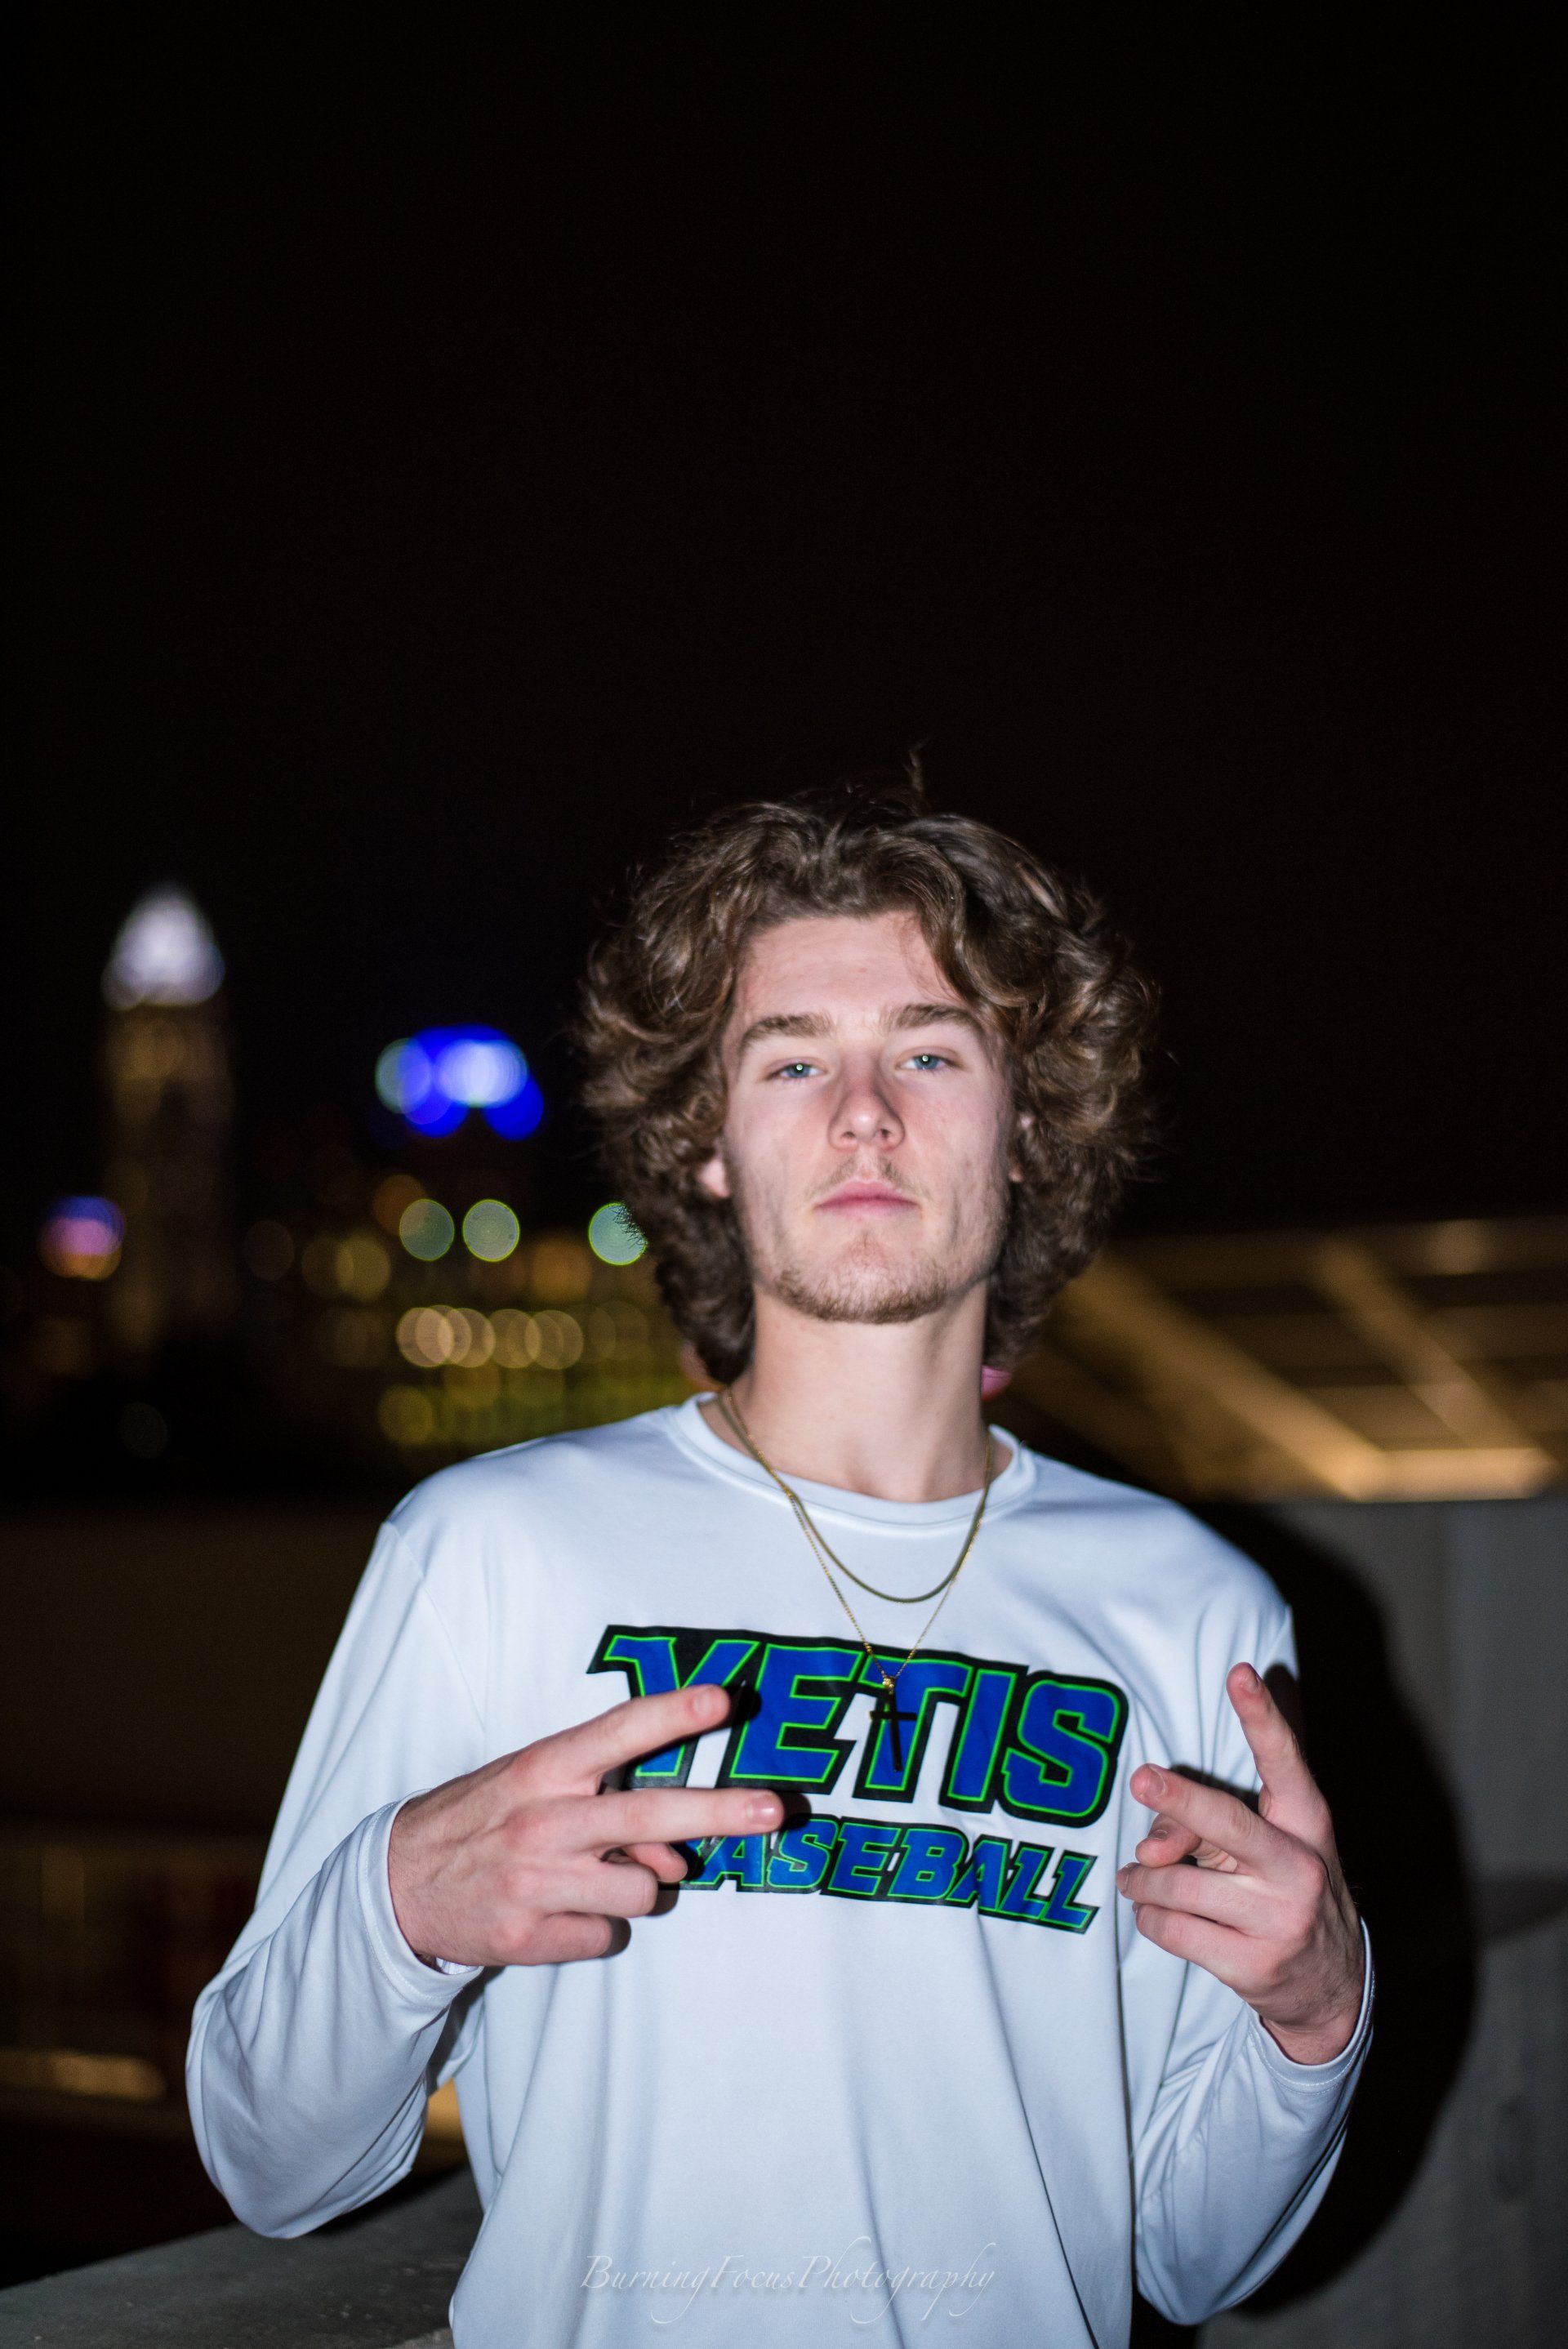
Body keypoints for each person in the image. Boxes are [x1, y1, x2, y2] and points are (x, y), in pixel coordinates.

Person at [187, 776, 1372, 2347]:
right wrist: (399, 1905)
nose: (863, 1111)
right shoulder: (490, 1552)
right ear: (709, 1145)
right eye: (794, 1057)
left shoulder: (1193, 1605)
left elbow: (1194, 2260)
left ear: (1027, 1132)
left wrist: (1316, 2014)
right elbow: (269, 2164)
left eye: (930, 1053)